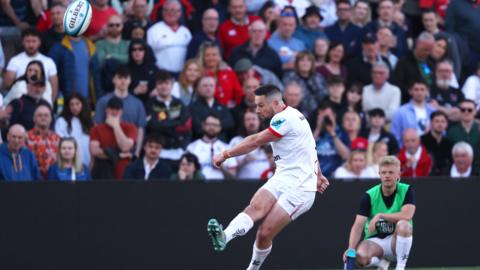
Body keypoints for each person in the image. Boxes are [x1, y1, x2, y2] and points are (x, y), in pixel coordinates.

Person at [207, 84, 329, 270]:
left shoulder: (284, 118)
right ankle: (224, 236)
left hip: (300, 189)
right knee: (254, 208)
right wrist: (319, 174)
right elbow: (309, 147)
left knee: (264, 233)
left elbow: (255, 141)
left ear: (274, 102)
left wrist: (225, 155)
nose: (257, 110)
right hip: (282, 177)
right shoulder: (294, 115)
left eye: (261, 105)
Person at [343, 156, 415, 270]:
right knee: (359, 257)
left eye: (391, 172)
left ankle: (400, 267)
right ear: (379, 175)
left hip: (395, 241)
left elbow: (407, 215)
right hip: (375, 241)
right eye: (384, 172)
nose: (387, 175)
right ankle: (380, 263)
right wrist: (350, 248)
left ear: (398, 175)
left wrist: (380, 215)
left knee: (404, 225)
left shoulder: (406, 190)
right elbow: (358, 225)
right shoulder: (369, 195)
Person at [94, 66, 146, 156]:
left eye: (126, 78)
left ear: (130, 80)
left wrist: (137, 153)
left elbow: (140, 129)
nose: (123, 81)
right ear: (113, 80)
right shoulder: (103, 101)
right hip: (107, 152)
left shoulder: (138, 104)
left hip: (130, 152)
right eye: (120, 78)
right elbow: (97, 126)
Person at [145, 70, 192, 163]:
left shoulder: (179, 103)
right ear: (156, 86)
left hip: (179, 152)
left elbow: (186, 126)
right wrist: (176, 124)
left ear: (172, 85)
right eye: (160, 83)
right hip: (158, 153)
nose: (164, 86)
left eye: (167, 83)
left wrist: (165, 124)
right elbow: (153, 125)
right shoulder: (150, 104)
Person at [3, 28, 58, 100]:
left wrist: (49, 105)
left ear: (39, 42)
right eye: (28, 41)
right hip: (20, 103)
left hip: (42, 104)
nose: (31, 44)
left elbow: (54, 87)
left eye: (34, 41)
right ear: (22, 42)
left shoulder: (49, 62)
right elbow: (7, 85)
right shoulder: (15, 60)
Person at [90, 97, 137, 180]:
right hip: (103, 173)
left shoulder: (131, 128)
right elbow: (95, 151)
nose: (114, 112)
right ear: (106, 110)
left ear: (121, 111)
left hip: (123, 172)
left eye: (117, 109)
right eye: (112, 109)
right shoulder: (96, 129)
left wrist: (116, 126)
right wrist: (119, 155)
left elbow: (125, 147)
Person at [48, 34, 103, 103]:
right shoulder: (58, 48)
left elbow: (96, 76)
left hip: (87, 102)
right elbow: (50, 74)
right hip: (66, 101)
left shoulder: (91, 46)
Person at [186, 113, 237, 180]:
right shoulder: (191, 147)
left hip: (221, 188)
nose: (212, 127)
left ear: (220, 128)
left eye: (215, 125)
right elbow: (185, 174)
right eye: (209, 124)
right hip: (197, 187)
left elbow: (233, 177)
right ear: (203, 125)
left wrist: (221, 168)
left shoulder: (227, 148)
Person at [147, 0, 191, 75]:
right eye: (166, 10)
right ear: (162, 12)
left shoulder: (186, 32)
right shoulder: (154, 30)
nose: (170, 13)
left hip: (182, 76)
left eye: (173, 10)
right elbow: (148, 55)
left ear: (180, 13)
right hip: (162, 76)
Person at [196, 42, 244, 108]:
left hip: (228, 110)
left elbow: (238, 91)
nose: (211, 58)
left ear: (219, 56)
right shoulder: (199, 73)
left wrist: (236, 104)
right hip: (206, 109)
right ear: (203, 57)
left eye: (214, 55)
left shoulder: (228, 71)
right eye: (207, 55)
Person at [392, 32, 435, 104]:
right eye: (425, 49)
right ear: (417, 44)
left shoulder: (431, 62)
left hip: (428, 102)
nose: (427, 53)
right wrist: (414, 92)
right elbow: (397, 84)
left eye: (430, 50)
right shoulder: (403, 62)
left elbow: (432, 81)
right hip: (408, 101)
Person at [282, 51, 327, 118]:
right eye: (302, 60)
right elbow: (284, 97)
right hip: (294, 114)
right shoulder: (289, 77)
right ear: (297, 63)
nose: (305, 63)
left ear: (312, 63)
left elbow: (324, 96)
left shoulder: (319, 78)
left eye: (308, 60)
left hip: (316, 114)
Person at [189, 76, 235, 140]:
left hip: (221, 144)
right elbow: (197, 127)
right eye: (205, 86)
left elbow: (230, 123)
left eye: (211, 85)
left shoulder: (222, 106)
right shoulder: (192, 108)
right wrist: (218, 125)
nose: (208, 88)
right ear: (198, 88)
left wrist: (209, 124)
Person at [391, 81, 436, 146]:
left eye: (422, 89)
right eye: (416, 89)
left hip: (429, 149)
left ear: (427, 92)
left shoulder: (433, 111)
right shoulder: (400, 112)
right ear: (410, 92)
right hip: (407, 149)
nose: (419, 93)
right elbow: (395, 135)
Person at [55, 93, 93, 167]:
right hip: (69, 163)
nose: (74, 107)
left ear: (82, 104)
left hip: (87, 161)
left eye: (77, 104)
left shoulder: (89, 122)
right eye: (71, 104)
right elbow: (60, 142)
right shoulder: (61, 121)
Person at [229, 111, 270, 180]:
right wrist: (243, 161)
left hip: (266, 183)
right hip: (244, 184)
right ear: (243, 123)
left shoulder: (268, 140)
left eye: (254, 119)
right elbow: (231, 169)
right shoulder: (236, 141)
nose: (251, 122)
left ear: (259, 121)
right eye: (248, 119)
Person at [26, 104, 60, 179]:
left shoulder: (57, 138)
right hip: (33, 180)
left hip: (54, 181)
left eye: (46, 115)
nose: (43, 117)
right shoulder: (26, 137)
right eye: (40, 115)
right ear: (34, 118)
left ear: (51, 118)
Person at [447, 99, 480, 166]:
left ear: (475, 112)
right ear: (459, 111)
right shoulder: (452, 131)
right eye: (463, 110)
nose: (466, 112)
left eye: (470, 110)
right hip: (459, 168)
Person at [127, 39, 159, 105]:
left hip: (151, 103)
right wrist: (134, 92)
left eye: (140, 49)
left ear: (145, 51)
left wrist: (157, 90)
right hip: (131, 103)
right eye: (134, 49)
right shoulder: (125, 69)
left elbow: (161, 84)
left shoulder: (154, 68)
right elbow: (119, 91)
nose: (137, 52)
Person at [420, 111, 453, 176]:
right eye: (437, 121)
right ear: (431, 123)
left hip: (445, 178)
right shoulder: (421, 141)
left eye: (443, 121)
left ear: (446, 124)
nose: (440, 124)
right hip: (426, 177)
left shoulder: (449, 143)